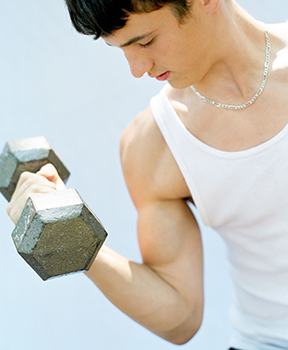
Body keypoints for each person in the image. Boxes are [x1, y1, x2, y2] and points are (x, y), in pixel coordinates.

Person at [6, 0, 288, 348]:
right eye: (121, 50)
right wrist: (76, 242)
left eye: (145, 41)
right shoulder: (154, 145)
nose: (138, 68)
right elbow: (181, 317)